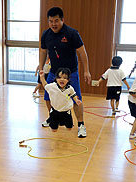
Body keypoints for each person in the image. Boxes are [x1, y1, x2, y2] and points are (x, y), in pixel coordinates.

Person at [39, 7, 91, 138]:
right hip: (54, 72)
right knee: (47, 96)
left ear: (62, 20)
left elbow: (82, 52)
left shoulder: (71, 33)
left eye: (56, 21)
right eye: (50, 21)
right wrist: (41, 67)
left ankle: (81, 125)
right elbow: (43, 51)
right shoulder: (46, 34)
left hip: (71, 73)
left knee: (76, 99)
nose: (53, 24)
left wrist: (87, 71)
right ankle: (52, 117)